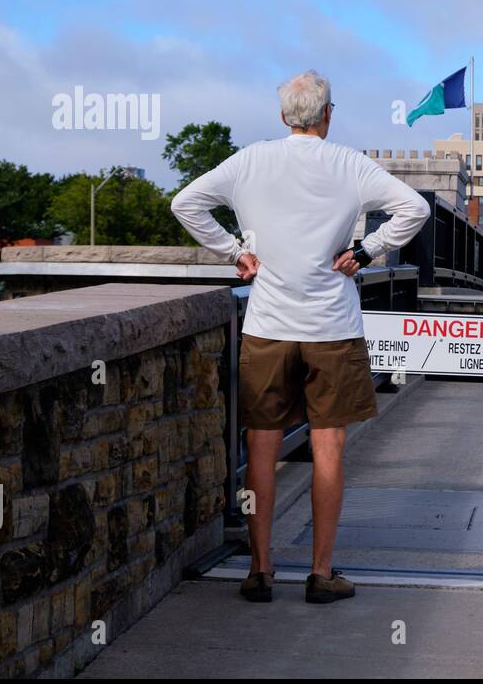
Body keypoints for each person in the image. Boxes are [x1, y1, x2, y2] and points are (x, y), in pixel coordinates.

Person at [172, 70, 428, 604]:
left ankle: (261, 571)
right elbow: (416, 208)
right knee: (329, 445)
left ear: (283, 117)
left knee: (260, 447)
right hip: (332, 328)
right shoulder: (350, 164)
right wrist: (365, 252)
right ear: (328, 114)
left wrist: (236, 253)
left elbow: (185, 204)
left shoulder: (249, 161)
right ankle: (320, 572)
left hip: (266, 326)